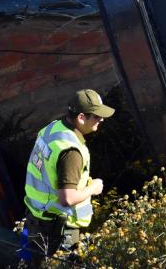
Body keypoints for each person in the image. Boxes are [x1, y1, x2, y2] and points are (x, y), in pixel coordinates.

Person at [22, 88, 115, 263]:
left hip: (34, 218)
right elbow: (67, 198)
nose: (101, 119)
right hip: (59, 229)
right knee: (62, 265)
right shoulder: (71, 151)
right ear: (81, 117)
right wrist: (93, 188)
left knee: (28, 262)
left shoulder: (52, 128)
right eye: (96, 116)